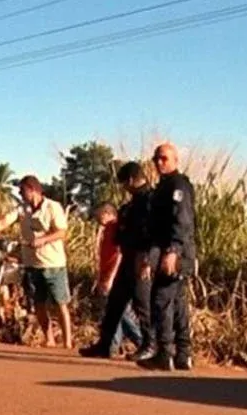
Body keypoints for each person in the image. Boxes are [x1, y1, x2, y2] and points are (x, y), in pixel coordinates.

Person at [0, 175, 74, 348]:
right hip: (32, 264)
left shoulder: (52, 207)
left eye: (22, 191)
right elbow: (4, 222)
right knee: (39, 304)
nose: (20, 194)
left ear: (33, 190)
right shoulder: (22, 209)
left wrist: (43, 240)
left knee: (60, 304)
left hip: (53, 264)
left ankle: (67, 342)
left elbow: (61, 233)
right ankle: (49, 339)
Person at [79, 161, 157, 360]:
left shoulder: (150, 201)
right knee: (115, 303)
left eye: (124, 183)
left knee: (142, 304)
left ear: (131, 180)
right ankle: (105, 345)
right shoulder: (130, 205)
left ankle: (150, 344)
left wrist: (147, 259)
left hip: (141, 258)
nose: (123, 187)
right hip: (128, 257)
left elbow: (154, 234)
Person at [138, 142, 197, 371]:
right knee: (178, 303)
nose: (159, 162)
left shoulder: (178, 185)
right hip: (166, 251)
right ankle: (183, 354)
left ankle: (165, 353)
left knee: (161, 300)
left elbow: (182, 221)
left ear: (175, 160)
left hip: (176, 252)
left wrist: (173, 251)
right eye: (156, 159)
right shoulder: (162, 187)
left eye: (163, 158)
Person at [88, 200, 143, 356]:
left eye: (99, 215)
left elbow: (119, 254)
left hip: (115, 275)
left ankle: (141, 340)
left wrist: (111, 277)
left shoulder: (115, 227)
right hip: (107, 273)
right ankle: (113, 344)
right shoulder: (107, 229)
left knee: (122, 312)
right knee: (113, 311)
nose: (97, 219)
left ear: (107, 213)